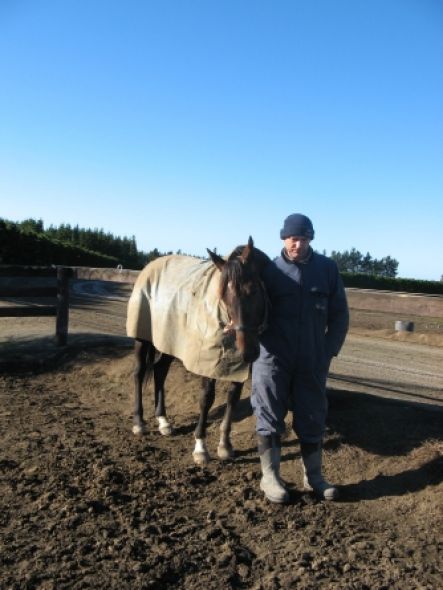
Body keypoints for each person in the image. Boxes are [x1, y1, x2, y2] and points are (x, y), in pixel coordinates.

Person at [251, 213, 349, 503]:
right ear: (283, 238)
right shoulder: (268, 272)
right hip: (272, 358)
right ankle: (270, 477)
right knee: (268, 416)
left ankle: (314, 477)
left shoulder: (327, 270)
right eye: (293, 238)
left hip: (311, 358)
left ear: (310, 240)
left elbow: (340, 315)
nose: (298, 244)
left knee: (312, 415)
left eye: (303, 239)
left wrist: (327, 350)